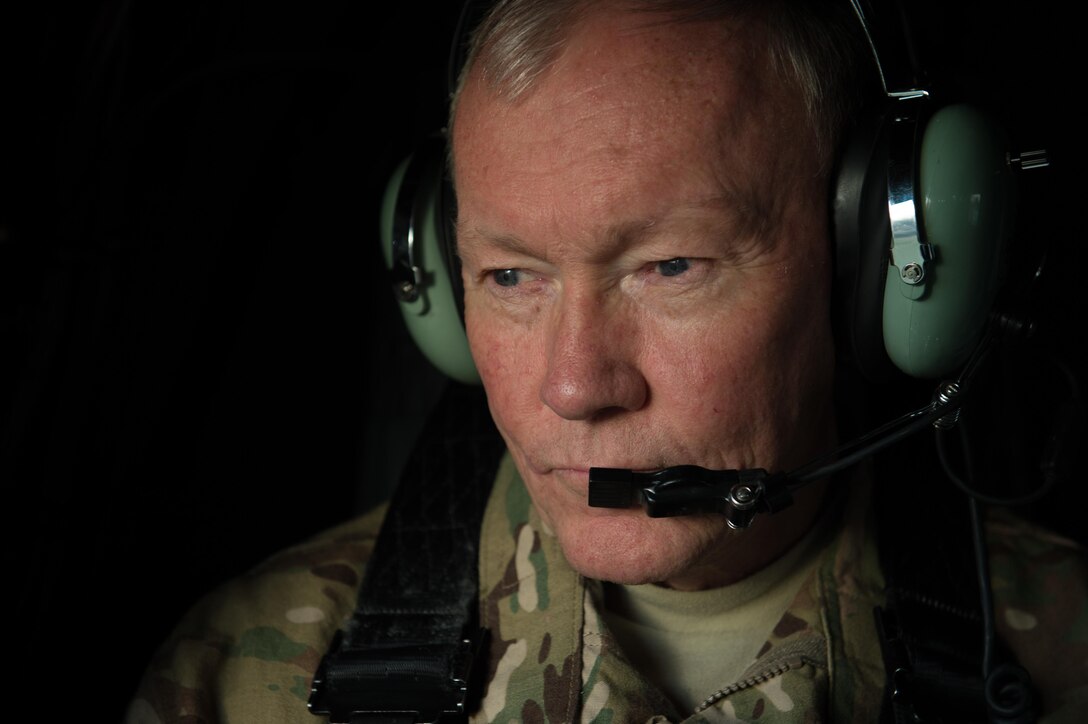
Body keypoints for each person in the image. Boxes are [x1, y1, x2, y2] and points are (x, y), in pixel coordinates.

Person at [125, 1, 1087, 722]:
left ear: (876, 274)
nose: (575, 387)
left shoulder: (1069, 660)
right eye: (510, 276)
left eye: (671, 266)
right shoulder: (245, 679)